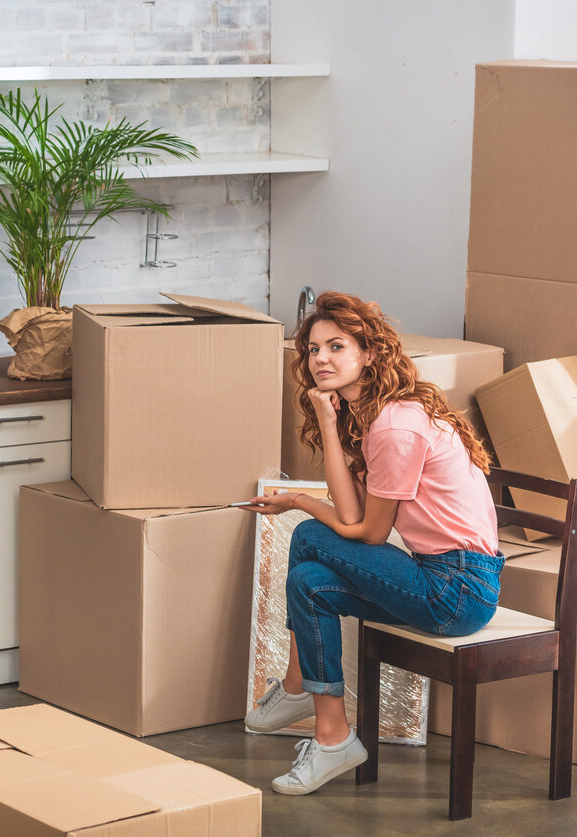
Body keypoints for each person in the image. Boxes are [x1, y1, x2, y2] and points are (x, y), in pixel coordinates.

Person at [240, 291, 501, 796]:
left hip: (457, 589)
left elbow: (366, 533)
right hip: (440, 578)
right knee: (309, 581)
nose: (320, 360)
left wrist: (296, 500)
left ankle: (299, 688)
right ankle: (331, 734)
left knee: (312, 533)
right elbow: (355, 513)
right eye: (313, 350)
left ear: (370, 354)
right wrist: (330, 423)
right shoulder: (376, 416)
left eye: (336, 347)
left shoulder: (395, 426)